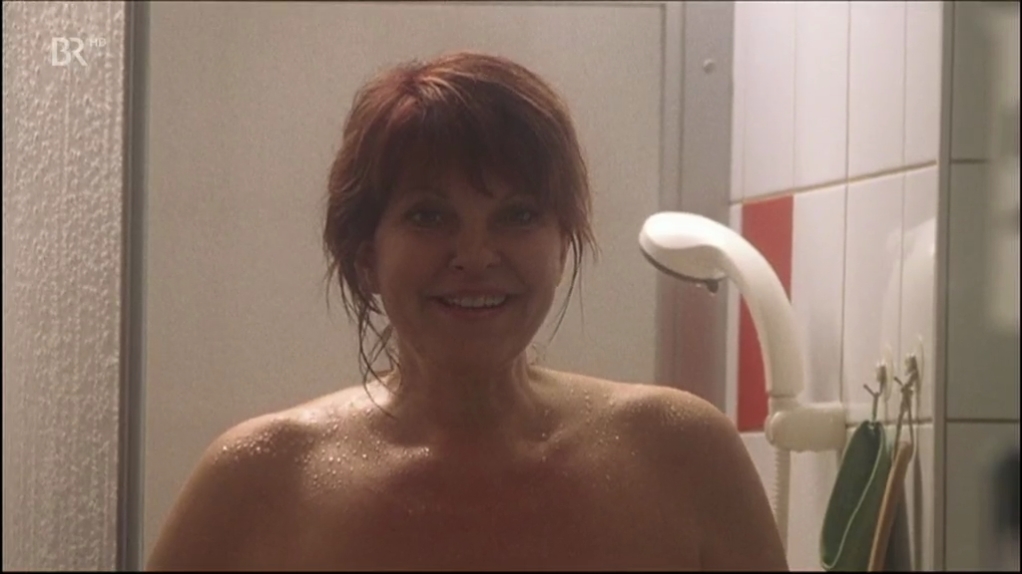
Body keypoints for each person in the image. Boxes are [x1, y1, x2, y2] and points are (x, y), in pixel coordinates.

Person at [146, 51, 787, 572]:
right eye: (429, 216)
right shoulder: (261, 481)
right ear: (366, 255)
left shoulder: (681, 456)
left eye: (518, 215)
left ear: (561, 244)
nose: (476, 255)